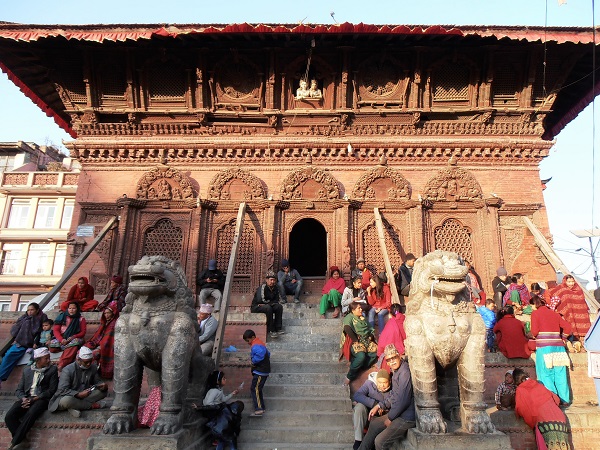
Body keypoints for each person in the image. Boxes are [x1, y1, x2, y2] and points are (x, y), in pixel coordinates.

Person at [358, 344, 416, 450]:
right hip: (398, 413)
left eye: (394, 358)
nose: (392, 361)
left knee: (380, 442)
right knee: (375, 423)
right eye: (389, 360)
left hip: (406, 417)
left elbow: (403, 400)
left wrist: (390, 418)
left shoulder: (404, 372)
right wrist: (380, 405)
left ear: (399, 356)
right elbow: (394, 395)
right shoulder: (396, 372)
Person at [5, 348, 58, 450]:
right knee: (10, 416)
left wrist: (35, 399)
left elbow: (51, 390)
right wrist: (24, 399)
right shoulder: (27, 370)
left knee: (31, 413)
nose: (49, 361)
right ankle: (23, 441)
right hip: (28, 398)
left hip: (42, 399)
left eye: (48, 358)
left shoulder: (52, 370)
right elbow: (19, 390)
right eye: (46, 359)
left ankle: (14, 443)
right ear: (38, 360)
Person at [513, 367, 572, 450]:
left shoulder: (521, 389)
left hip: (544, 422)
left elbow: (521, 409)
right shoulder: (538, 385)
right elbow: (556, 399)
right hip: (560, 420)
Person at [530, 295, 572, 404]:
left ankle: (553, 400)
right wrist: (563, 338)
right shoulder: (554, 314)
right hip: (558, 348)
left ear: (535, 304)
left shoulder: (535, 313)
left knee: (545, 374)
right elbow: (568, 327)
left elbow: (534, 331)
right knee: (560, 374)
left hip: (544, 348)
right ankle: (565, 399)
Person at [49, 346, 108, 417]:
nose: (88, 364)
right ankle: (91, 405)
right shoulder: (67, 370)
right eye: (86, 362)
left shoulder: (92, 367)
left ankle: (76, 406)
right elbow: (62, 390)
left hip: (85, 396)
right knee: (67, 401)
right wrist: (78, 394)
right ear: (78, 360)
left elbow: (97, 382)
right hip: (69, 397)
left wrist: (102, 386)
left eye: (90, 361)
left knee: (102, 392)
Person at [0, 303, 46, 387]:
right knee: (8, 356)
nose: (30, 312)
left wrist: (35, 342)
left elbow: (41, 331)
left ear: (37, 310)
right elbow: (15, 329)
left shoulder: (41, 318)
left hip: (34, 344)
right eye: (28, 310)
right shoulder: (23, 318)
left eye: (32, 310)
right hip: (20, 343)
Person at [352, 369, 392, 450]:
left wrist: (382, 406)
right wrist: (374, 404)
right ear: (376, 381)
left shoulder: (394, 388)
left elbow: (395, 399)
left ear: (389, 382)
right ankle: (358, 440)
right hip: (369, 415)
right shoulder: (369, 384)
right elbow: (357, 395)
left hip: (384, 417)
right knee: (359, 407)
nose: (382, 385)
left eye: (385, 383)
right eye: (380, 383)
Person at [550, 274, 591, 352]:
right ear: (565, 281)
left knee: (583, 332)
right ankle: (571, 345)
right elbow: (552, 295)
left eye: (572, 281)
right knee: (570, 329)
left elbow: (582, 302)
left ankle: (583, 346)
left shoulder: (579, 290)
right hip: (569, 314)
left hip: (581, 314)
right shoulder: (562, 289)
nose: (571, 284)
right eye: (569, 282)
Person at [341, 302, 378, 385]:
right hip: (356, 341)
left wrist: (371, 336)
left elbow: (370, 328)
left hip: (367, 340)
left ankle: (360, 367)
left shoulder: (362, 317)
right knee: (361, 356)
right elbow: (347, 327)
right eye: (359, 308)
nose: (361, 309)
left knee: (375, 353)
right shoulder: (349, 317)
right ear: (353, 310)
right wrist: (355, 340)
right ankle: (349, 376)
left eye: (361, 308)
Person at [84, 301, 119, 379]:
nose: (106, 315)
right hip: (99, 344)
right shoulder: (104, 323)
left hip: (107, 347)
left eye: (108, 313)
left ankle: (92, 376)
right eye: (105, 313)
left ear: (113, 313)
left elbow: (109, 339)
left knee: (93, 354)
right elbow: (97, 335)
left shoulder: (114, 324)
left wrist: (101, 346)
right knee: (82, 350)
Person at [49, 302, 87, 371]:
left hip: (74, 338)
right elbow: (56, 330)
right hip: (62, 338)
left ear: (77, 309)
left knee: (74, 343)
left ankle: (62, 364)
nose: (71, 310)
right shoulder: (62, 317)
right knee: (52, 345)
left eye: (73, 308)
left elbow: (83, 332)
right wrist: (61, 339)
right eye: (70, 308)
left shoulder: (81, 319)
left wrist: (74, 336)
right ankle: (67, 348)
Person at [243, 329, 270, 417]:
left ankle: (259, 408)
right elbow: (268, 353)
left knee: (255, 389)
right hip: (263, 370)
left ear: (253, 337)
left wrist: (253, 361)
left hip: (260, 371)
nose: (248, 342)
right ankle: (262, 406)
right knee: (258, 389)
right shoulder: (260, 343)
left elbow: (260, 355)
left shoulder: (256, 345)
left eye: (248, 340)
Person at [251, 271, 284, 339]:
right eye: (271, 280)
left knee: (279, 307)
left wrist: (271, 303)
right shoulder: (262, 287)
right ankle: (271, 330)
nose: (272, 282)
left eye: (274, 280)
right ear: (267, 280)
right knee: (268, 308)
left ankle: (278, 327)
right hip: (257, 306)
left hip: (267, 305)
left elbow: (277, 300)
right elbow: (260, 300)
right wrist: (271, 303)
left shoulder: (275, 288)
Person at [377, 304, 406, 370]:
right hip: (405, 349)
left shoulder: (390, 324)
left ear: (390, 313)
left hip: (392, 353)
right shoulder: (405, 320)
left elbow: (382, 343)